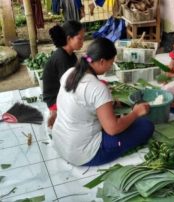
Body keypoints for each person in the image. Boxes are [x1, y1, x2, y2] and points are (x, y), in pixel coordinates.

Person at [52, 38, 154, 166]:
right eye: (111, 63)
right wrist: (135, 112)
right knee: (145, 126)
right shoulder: (98, 88)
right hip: (83, 153)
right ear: (101, 61)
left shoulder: (70, 73)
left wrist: (109, 105)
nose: (111, 66)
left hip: (61, 143)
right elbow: (113, 129)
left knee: (121, 121)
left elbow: (80, 103)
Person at [43, 21, 84, 128]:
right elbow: (70, 86)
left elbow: (79, 70)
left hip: (62, 92)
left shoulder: (70, 54)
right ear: (69, 38)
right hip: (55, 99)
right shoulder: (61, 58)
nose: (83, 42)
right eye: (80, 38)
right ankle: (55, 113)